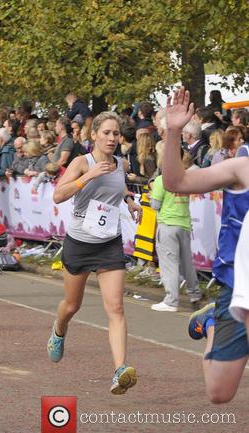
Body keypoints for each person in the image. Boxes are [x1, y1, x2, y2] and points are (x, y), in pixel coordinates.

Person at [162, 86, 249, 404]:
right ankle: (210, 321)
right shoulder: (241, 168)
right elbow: (176, 183)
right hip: (240, 286)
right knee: (219, 391)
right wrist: (173, 132)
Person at [47, 111, 142, 394]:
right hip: (79, 243)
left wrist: (129, 201)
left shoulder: (120, 163)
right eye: (106, 133)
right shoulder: (81, 162)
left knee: (115, 307)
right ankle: (59, 329)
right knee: (71, 305)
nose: (112, 138)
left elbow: (118, 187)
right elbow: (58, 195)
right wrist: (88, 176)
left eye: (116, 134)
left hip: (109, 242)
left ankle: (119, 370)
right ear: (94, 135)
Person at [150, 151, 201, 312]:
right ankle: (195, 294)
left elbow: (155, 205)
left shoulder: (161, 180)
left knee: (169, 264)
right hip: (184, 223)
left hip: (167, 224)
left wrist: (152, 194)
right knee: (187, 264)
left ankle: (171, 300)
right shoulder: (185, 177)